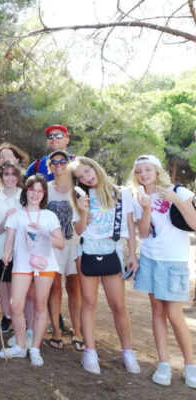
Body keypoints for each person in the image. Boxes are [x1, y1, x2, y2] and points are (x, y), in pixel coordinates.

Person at [70, 156, 140, 375]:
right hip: (87, 249)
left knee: (118, 304)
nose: (86, 177)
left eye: (87, 171)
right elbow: (79, 230)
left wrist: (132, 253)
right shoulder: (80, 196)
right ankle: (90, 352)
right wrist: (84, 210)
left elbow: (130, 225)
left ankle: (128, 352)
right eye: (80, 176)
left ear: (95, 167)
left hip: (113, 250)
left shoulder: (122, 193)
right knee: (88, 302)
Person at [131, 154, 196, 388]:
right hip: (151, 258)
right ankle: (163, 363)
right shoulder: (139, 197)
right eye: (139, 171)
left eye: (147, 169)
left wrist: (176, 200)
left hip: (174, 260)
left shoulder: (179, 191)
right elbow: (144, 232)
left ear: (157, 171)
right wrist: (146, 208)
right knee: (157, 312)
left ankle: (191, 366)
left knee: (175, 316)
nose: (143, 174)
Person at [0, 175, 65, 367]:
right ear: (25, 191)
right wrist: (7, 254)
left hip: (45, 264)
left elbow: (60, 243)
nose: (35, 194)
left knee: (40, 305)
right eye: (32, 190)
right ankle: (20, 345)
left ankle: (35, 348)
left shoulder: (49, 216)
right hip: (22, 264)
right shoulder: (16, 215)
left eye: (39, 191)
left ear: (44, 194)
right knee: (16, 305)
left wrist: (43, 233)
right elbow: (9, 240)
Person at [45, 150, 83, 351]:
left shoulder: (79, 189)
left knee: (74, 289)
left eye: (62, 161)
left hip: (75, 244)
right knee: (55, 288)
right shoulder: (46, 189)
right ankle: (56, 331)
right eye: (54, 162)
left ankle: (77, 331)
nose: (58, 165)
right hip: (52, 246)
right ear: (49, 166)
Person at [0, 162, 24, 336]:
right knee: (4, 283)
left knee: (20, 283)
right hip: (2, 248)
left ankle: (21, 318)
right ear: (1, 177)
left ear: (18, 177)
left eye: (13, 174)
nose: (10, 177)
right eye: (6, 174)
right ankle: (7, 317)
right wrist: (6, 219)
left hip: (23, 249)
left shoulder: (25, 195)